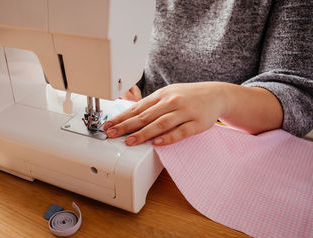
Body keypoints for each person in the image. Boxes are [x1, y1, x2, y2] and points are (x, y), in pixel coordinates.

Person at [103, 0, 313, 146]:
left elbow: (298, 97)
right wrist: (128, 83)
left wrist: (222, 98)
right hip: (151, 134)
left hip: (234, 151)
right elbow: (137, 42)